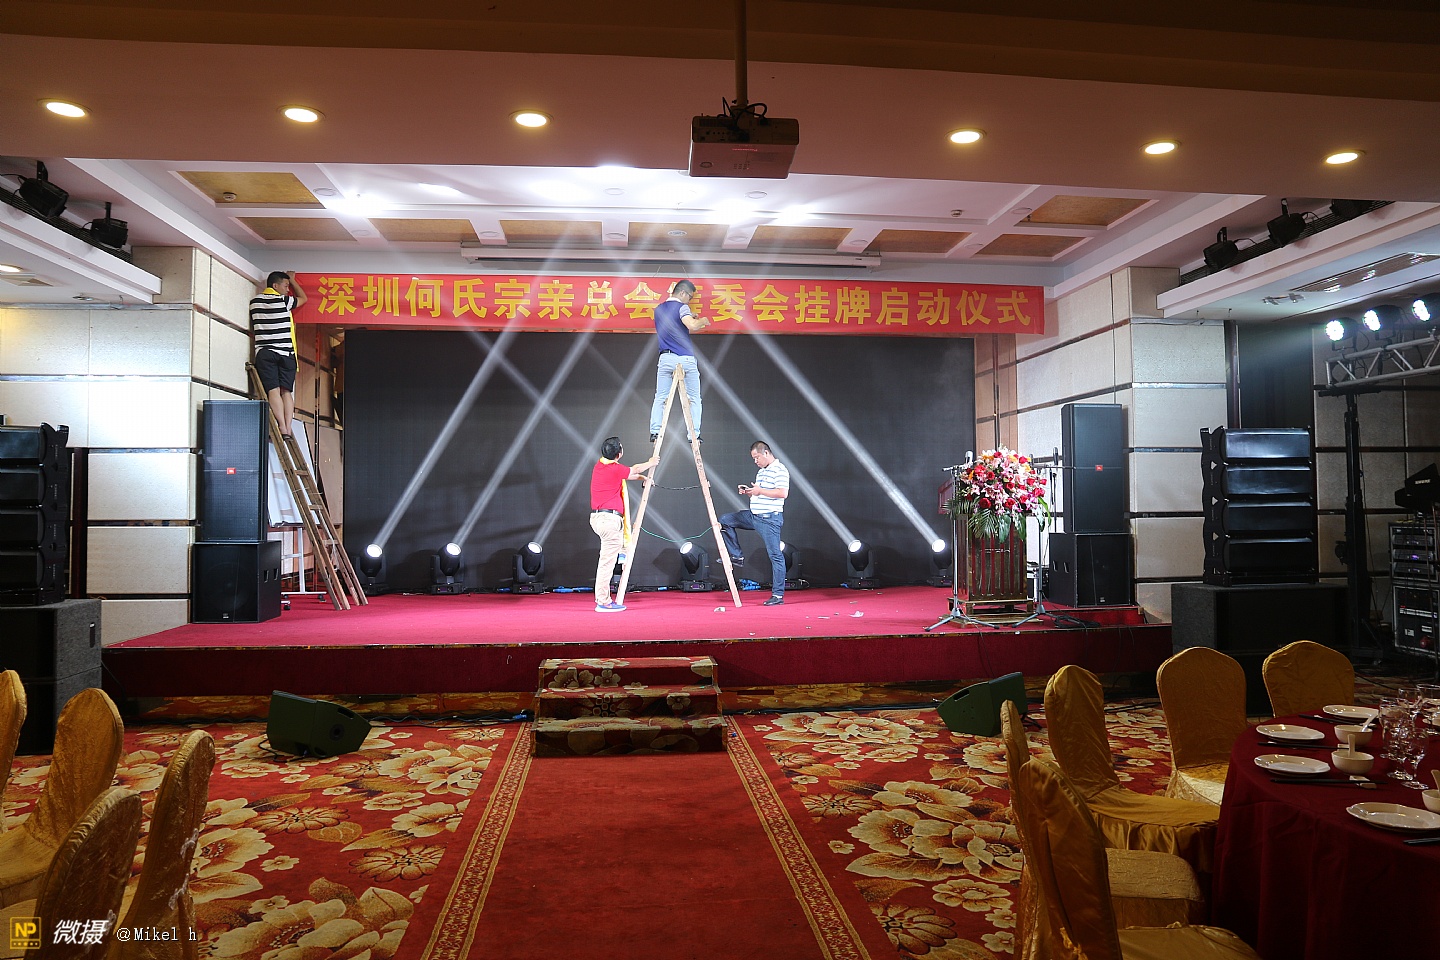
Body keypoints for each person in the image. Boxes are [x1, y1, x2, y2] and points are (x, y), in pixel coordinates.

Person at [590, 436, 657, 613]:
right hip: (609, 521)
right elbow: (634, 469)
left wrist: (643, 477)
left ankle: (622, 554)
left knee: (615, 553)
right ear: (619, 454)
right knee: (606, 563)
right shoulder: (614, 469)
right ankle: (603, 602)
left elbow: (630, 473)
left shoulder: (601, 466)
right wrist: (651, 462)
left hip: (601, 519)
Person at [719, 440, 790, 606]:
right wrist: (749, 492)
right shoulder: (761, 472)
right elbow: (759, 494)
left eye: (757, 457)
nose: (756, 461)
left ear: (766, 453)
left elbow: (782, 493)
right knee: (725, 520)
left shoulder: (780, 470)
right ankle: (737, 555)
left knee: (775, 555)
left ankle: (778, 595)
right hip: (754, 516)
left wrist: (759, 491)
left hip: (769, 519)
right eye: (753, 458)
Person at [648, 279, 713, 445]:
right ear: (682, 293)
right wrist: (703, 321)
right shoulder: (682, 308)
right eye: (689, 297)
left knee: (661, 397)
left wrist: (690, 315)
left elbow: (674, 322)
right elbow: (692, 325)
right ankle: (694, 435)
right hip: (685, 358)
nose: (689, 301)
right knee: (694, 398)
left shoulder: (659, 309)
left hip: (666, 358)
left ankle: (655, 432)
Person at [249, 270, 307, 438]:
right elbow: (304, 299)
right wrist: (294, 280)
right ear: (275, 286)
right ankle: (288, 427)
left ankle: (281, 426)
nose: (288, 290)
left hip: (265, 352)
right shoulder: (284, 301)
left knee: (272, 390)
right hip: (286, 353)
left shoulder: (254, 302)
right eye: (286, 286)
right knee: (286, 392)